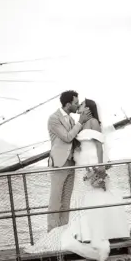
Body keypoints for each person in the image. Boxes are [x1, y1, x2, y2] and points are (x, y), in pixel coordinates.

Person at [42, 98, 130, 261]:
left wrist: (100, 166)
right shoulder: (80, 123)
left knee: (94, 196)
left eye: (81, 104)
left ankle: (100, 232)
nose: (79, 106)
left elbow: (98, 145)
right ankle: (83, 232)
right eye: (78, 103)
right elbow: (73, 140)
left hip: (91, 162)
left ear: (88, 108)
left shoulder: (94, 122)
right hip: (80, 164)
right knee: (81, 198)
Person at [47, 90, 91, 231]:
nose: (77, 106)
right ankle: (51, 234)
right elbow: (67, 137)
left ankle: (64, 232)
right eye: (76, 103)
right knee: (55, 201)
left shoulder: (71, 119)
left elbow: (76, 139)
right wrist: (80, 123)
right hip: (59, 164)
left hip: (71, 163)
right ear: (67, 104)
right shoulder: (54, 118)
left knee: (66, 201)